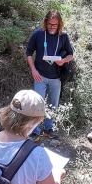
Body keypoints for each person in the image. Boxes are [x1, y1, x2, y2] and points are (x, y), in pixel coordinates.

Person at [25, 10, 75, 138]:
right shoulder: (38, 34)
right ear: (45, 22)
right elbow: (29, 53)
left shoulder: (63, 36)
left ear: (60, 24)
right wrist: (33, 70)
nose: (52, 27)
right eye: (50, 24)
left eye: (55, 25)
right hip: (40, 75)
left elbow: (71, 55)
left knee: (53, 104)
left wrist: (63, 61)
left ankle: (49, 129)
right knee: (37, 104)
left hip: (56, 77)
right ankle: (35, 130)